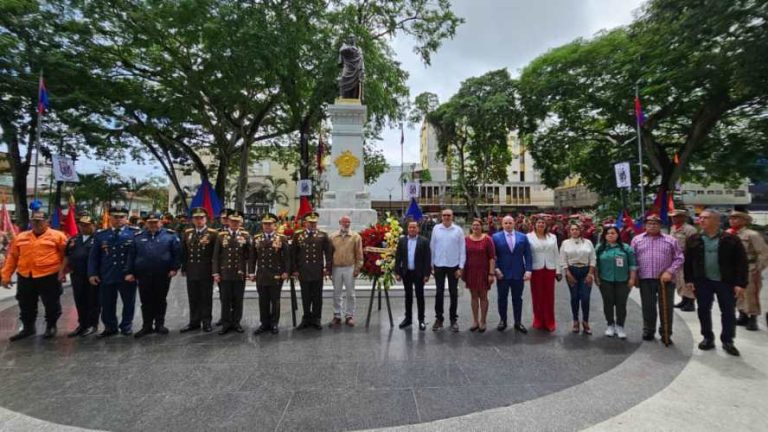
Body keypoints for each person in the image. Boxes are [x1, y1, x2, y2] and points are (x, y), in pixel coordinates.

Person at [684, 209, 748, 356]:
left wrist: (740, 283)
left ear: (716, 221)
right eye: (700, 218)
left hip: (725, 282)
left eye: (705, 218)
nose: (701, 220)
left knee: (728, 312)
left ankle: (728, 340)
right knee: (703, 309)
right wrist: (689, 280)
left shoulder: (731, 239)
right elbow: (688, 261)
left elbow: (741, 263)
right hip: (702, 281)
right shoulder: (694, 238)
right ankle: (707, 337)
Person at [1, 211, 68, 341]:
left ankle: (51, 326)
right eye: (34, 221)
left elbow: (65, 256)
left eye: (40, 221)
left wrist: (63, 272)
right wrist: (6, 276)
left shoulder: (58, 236)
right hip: (25, 275)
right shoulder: (21, 237)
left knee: (51, 303)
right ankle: (28, 328)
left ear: (47, 222)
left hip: (49, 275)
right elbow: (12, 258)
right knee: (25, 303)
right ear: (31, 222)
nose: (37, 224)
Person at [631, 214, 684, 343]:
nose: (652, 226)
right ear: (645, 225)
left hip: (665, 279)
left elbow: (679, 258)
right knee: (648, 307)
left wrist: (670, 271)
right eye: (649, 223)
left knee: (666, 307)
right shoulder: (637, 240)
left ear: (660, 225)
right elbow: (632, 259)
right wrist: (634, 276)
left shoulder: (670, 240)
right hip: (645, 279)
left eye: (655, 223)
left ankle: (666, 333)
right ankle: (648, 330)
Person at [88, 207, 140, 337]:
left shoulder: (135, 234)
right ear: (109, 218)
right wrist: (92, 273)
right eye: (115, 217)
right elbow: (94, 257)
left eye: (121, 217)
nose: (118, 220)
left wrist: (134, 273)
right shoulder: (101, 235)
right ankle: (110, 327)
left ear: (126, 219)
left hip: (127, 275)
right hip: (107, 274)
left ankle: (126, 326)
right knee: (106, 303)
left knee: (128, 302)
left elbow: (138, 256)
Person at [127, 212, 181, 338]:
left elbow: (177, 254)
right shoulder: (137, 236)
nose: (153, 225)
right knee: (145, 300)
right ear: (146, 223)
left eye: (155, 222)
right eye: (150, 222)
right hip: (143, 274)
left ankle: (159, 324)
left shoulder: (170, 236)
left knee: (160, 299)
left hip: (163, 274)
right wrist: (129, 272)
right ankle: (146, 326)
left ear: (161, 222)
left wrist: (174, 268)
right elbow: (131, 255)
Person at [212, 210, 252, 335]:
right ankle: (226, 323)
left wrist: (250, 271)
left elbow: (250, 255)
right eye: (232, 221)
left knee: (238, 299)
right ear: (228, 222)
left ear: (241, 223)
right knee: (225, 299)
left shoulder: (245, 235)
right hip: (225, 272)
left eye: (237, 222)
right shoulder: (221, 236)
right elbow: (216, 256)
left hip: (239, 272)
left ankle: (236, 322)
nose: (235, 223)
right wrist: (216, 273)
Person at [59, 214, 99, 337]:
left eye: (87, 225)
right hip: (77, 275)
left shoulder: (99, 238)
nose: (84, 227)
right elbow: (67, 256)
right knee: (79, 300)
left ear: (93, 225)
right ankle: (82, 324)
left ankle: (92, 325)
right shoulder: (74, 239)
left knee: (93, 301)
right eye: (82, 225)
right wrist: (62, 271)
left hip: (93, 275)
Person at [179, 207, 218, 333]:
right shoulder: (187, 233)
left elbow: (215, 254)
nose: (199, 220)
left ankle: (206, 322)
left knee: (206, 297)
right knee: (193, 297)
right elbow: (184, 252)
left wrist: (215, 270)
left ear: (206, 219)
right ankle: (194, 322)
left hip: (206, 270)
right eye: (196, 218)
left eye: (201, 218)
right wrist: (184, 267)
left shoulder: (213, 233)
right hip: (192, 269)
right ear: (192, 220)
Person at [728, 209, 768, 331]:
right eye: (731, 218)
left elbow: (764, 253)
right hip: (733, 269)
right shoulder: (728, 234)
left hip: (749, 268)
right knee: (736, 293)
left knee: (750, 294)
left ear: (745, 221)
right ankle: (742, 315)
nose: (732, 220)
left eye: (736, 218)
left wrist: (758, 268)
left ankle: (753, 318)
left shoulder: (752, 235)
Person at [291, 212, 333, 330]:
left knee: (317, 296)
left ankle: (316, 319)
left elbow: (328, 253)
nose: (313, 225)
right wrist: (294, 269)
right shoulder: (298, 235)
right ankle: (306, 318)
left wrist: (327, 268)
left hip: (317, 270)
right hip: (303, 270)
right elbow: (293, 253)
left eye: (314, 223)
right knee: (305, 296)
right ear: (305, 223)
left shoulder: (323, 235)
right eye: (310, 223)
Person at [250, 213, 289, 335]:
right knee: (263, 300)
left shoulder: (281, 238)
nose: (267, 226)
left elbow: (287, 258)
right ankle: (264, 323)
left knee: (275, 300)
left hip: (276, 274)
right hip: (261, 274)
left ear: (275, 225)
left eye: (269, 224)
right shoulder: (257, 238)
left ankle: (274, 323)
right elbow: (252, 258)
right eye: (265, 224)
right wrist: (251, 272)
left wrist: (286, 271)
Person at [492, 215, 532, 333]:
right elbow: (493, 256)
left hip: (518, 273)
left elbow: (528, 255)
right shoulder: (495, 237)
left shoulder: (523, 237)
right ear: (502, 224)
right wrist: (496, 269)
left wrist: (528, 270)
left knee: (517, 299)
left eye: (510, 223)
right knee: (502, 298)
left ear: (514, 223)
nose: (508, 225)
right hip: (502, 274)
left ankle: (518, 322)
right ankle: (503, 320)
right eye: (506, 223)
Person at [595, 226, 637, 339]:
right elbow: (595, 265)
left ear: (618, 235)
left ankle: (620, 326)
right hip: (605, 280)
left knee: (621, 304)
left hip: (623, 281)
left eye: (613, 233)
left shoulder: (626, 248)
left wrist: (632, 279)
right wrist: (596, 278)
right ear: (604, 235)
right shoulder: (600, 248)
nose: (610, 235)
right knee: (608, 304)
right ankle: (610, 325)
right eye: (608, 233)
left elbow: (633, 265)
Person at [430, 208, 466, 332]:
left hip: (453, 265)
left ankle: (453, 319)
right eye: (444, 215)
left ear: (452, 216)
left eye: (448, 215)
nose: (446, 217)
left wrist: (461, 267)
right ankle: (439, 319)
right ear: (441, 216)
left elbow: (462, 250)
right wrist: (431, 265)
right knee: (439, 293)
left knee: (453, 293)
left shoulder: (458, 230)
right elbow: (432, 247)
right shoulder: (436, 229)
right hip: (439, 265)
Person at [560, 223, 597, 334]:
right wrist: (567, 273)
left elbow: (593, 259)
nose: (575, 231)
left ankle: (585, 321)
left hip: (586, 270)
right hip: (572, 271)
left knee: (585, 298)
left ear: (581, 230)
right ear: (569, 231)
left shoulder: (588, 242)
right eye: (572, 229)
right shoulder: (565, 243)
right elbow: (562, 259)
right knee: (574, 297)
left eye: (577, 229)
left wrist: (590, 274)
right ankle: (575, 321)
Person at [394, 221, 431, 330]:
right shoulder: (402, 241)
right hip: (406, 273)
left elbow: (427, 259)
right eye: (410, 227)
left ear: (418, 229)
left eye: (414, 227)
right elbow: (398, 257)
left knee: (420, 297)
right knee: (408, 296)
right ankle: (408, 319)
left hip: (419, 274)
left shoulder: (424, 241)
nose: (412, 229)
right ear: (407, 229)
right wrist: (397, 272)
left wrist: (426, 274)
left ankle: (421, 320)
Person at [527, 216, 561, 332]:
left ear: (546, 225)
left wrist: (558, 270)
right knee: (537, 295)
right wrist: (527, 270)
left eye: (543, 223)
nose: (541, 224)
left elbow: (556, 254)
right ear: (534, 225)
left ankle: (549, 321)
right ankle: (538, 319)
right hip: (536, 269)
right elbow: (526, 255)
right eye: (538, 223)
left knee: (549, 296)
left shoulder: (553, 237)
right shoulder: (528, 237)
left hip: (550, 269)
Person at [328, 215, 363, 327]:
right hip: (336, 267)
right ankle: (337, 315)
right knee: (336, 293)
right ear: (340, 222)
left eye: (348, 222)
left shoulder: (356, 237)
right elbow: (329, 254)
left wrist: (358, 267)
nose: (346, 224)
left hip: (350, 267)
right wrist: (328, 268)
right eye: (344, 222)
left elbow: (359, 254)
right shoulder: (333, 236)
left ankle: (349, 315)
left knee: (350, 293)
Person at [463, 218, 496, 332]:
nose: (475, 227)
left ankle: (483, 320)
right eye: (473, 225)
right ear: (471, 227)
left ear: (482, 227)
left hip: (483, 272)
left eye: (478, 225)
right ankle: (475, 321)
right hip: (471, 271)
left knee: (483, 296)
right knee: (473, 296)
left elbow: (492, 258)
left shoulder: (487, 239)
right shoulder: (466, 239)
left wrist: (491, 273)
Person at [670, 209, 698, 312]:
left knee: (687, 280)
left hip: (686, 258)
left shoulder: (690, 230)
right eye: (673, 217)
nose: (674, 219)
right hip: (676, 258)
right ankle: (683, 299)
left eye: (676, 216)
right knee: (679, 280)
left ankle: (690, 301)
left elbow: (693, 246)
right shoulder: (673, 228)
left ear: (683, 217)